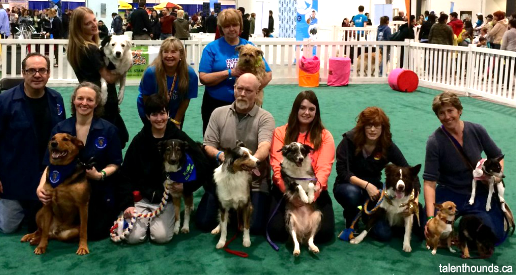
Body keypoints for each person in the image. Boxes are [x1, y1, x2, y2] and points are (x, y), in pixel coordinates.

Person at [117, 94, 209, 244]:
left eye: (162, 113)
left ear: (168, 114)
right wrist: (127, 204)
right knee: (133, 238)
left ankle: (152, 222)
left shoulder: (180, 138)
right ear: (147, 116)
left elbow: (202, 164)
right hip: (142, 197)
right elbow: (125, 173)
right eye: (154, 114)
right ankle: (137, 219)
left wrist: (186, 186)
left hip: (167, 200)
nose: (159, 118)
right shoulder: (139, 141)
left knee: (161, 237)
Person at [36, 82, 122, 240]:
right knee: (38, 221)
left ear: (97, 103)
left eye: (90, 100)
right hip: (64, 187)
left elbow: (115, 163)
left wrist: (100, 174)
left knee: (96, 233)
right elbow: (50, 163)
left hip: (97, 189)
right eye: (80, 98)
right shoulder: (60, 128)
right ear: (74, 101)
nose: (84, 103)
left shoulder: (109, 129)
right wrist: (41, 186)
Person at [196, 73, 275, 234]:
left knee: (255, 228)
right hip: (225, 179)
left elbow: (264, 147)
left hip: (254, 183)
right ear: (234, 88)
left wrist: (250, 162)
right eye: (239, 89)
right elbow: (208, 145)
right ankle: (232, 210)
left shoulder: (265, 118)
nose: (243, 94)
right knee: (204, 222)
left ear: (257, 92)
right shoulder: (218, 113)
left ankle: (235, 212)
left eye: (248, 90)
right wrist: (222, 157)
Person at [423, 92, 506, 244]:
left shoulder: (477, 130)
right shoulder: (434, 142)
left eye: (450, 111)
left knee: (494, 236)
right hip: (449, 192)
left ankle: (479, 219)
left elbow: (498, 157)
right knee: (425, 229)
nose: (447, 116)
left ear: (459, 110)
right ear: (437, 116)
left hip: (478, 192)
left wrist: (496, 177)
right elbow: (429, 183)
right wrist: (429, 219)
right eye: (441, 113)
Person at [333, 107, 424, 240]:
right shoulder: (349, 141)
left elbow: (409, 171)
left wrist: (414, 199)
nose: (373, 130)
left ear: (383, 128)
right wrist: (366, 185)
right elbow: (343, 172)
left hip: (374, 190)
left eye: (377, 126)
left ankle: (366, 214)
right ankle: (351, 218)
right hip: (348, 185)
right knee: (352, 194)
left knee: (383, 234)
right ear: (362, 127)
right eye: (369, 125)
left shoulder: (387, 145)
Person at [0, 53, 66, 234]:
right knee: (8, 228)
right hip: (14, 176)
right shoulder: (5, 101)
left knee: (48, 223)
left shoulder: (56, 100)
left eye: (42, 70)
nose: (37, 75)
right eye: (31, 70)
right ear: (23, 73)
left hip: (46, 174)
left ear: (48, 73)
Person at [268, 90, 335, 243]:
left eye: (311, 109)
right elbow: (277, 167)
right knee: (276, 232)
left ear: (316, 112)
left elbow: (324, 169)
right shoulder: (280, 133)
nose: (306, 112)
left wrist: (312, 197)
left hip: (313, 190)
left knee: (324, 234)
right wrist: (289, 195)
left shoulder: (325, 136)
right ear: (295, 109)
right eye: (302, 108)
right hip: (286, 189)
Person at [198, 8, 272, 134]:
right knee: (214, 139)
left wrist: (253, 90)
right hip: (216, 103)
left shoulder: (250, 47)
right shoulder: (211, 48)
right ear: (221, 28)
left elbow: (268, 74)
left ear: (240, 26)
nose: (231, 29)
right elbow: (204, 78)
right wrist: (230, 72)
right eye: (227, 26)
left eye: (235, 25)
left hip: (246, 104)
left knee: (247, 139)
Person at [67, 6, 129, 148]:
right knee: (114, 140)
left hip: (89, 97)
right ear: (79, 27)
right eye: (88, 23)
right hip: (103, 100)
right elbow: (109, 78)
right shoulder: (91, 49)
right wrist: (126, 66)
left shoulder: (75, 48)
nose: (94, 24)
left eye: (94, 20)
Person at [137, 37, 198, 127]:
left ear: (181, 55)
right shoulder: (151, 72)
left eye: (173, 52)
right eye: (165, 52)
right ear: (161, 54)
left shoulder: (190, 74)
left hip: (174, 110)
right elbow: (146, 98)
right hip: (151, 110)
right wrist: (155, 119)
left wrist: (177, 121)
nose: (169, 55)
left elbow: (186, 99)